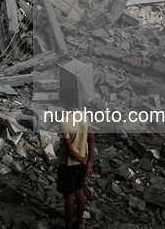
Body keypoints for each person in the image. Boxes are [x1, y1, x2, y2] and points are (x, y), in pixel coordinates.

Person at [57, 93, 95, 229]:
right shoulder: (84, 116)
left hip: (69, 165)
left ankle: (68, 227)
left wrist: (84, 161)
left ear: (63, 102)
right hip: (81, 164)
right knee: (80, 193)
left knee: (69, 197)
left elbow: (69, 150)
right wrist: (89, 161)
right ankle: (78, 224)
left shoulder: (64, 122)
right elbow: (91, 139)